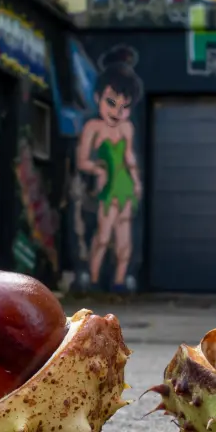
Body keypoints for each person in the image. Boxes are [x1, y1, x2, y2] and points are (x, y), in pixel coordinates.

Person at [75, 46, 143, 293]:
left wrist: (136, 181)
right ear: (98, 98)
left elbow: (129, 157)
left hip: (124, 184)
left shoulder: (127, 129)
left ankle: (119, 282)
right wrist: (98, 170)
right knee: (103, 235)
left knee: (124, 240)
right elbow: (82, 159)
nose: (117, 111)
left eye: (125, 106)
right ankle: (93, 281)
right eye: (111, 102)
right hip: (108, 186)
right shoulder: (93, 127)